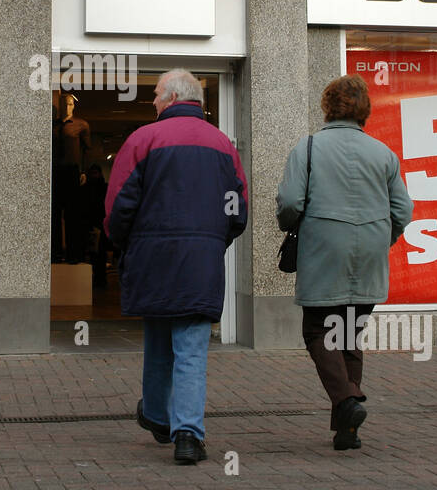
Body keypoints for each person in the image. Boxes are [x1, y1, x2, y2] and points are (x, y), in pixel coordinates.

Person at [105, 69, 247, 465]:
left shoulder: (143, 140)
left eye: (154, 94)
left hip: (154, 260)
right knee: (191, 349)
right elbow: (237, 210)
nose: (151, 101)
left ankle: (156, 415)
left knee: (157, 342)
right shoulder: (223, 144)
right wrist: (213, 241)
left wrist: (125, 244)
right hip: (201, 262)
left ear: (170, 97)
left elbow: (118, 207)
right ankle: (188, 435)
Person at [276, 74, 413, 452]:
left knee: (319, 331)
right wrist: (381, 236)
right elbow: (403, 210)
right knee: (349, 333)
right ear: (364, 109)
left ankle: (347, 403)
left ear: (327, 106)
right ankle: (346, 430)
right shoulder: (383, 153)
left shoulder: (307, 149)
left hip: (324, 251)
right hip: (370, 251)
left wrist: (289, 225)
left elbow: (289, 202)